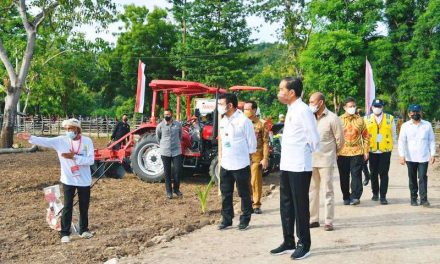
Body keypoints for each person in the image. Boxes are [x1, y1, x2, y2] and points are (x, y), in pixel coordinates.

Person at [17, 118, 95, 243]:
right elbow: (45, 141)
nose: (69, 131)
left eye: (72, 129)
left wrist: (74, 157)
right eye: (67, 129)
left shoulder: (87, 141)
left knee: (84, 206)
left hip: (84, 180)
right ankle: (65, 233)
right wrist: (30, 137)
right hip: (68, 179)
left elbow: (90, 160)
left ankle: (84, 230)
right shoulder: (61, 140)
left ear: (78, 130)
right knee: (68, 205)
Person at [270, 77, 320, 260]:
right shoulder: (290, 109)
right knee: (286, 204)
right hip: (287, 164)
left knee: (300, 206)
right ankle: (288, 240)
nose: (279, 92)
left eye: (281, 89)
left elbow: (314, 139)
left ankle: (304, 244)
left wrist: (304, 153)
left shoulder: (303, 110)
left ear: (291, 92)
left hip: (300, 165)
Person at [217, 93, 257, 231]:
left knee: (244, 193)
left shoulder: (243, 121)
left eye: (221, 104)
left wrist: (249, 159)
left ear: (230, 105)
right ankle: (227, 219)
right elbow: (222, 142)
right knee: (225, 193)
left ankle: (245, 218)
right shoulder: (222, 121)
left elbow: (252, 144)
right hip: (226, 163)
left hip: (241, 163)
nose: (219, 107)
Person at [308, 92, 344, 231]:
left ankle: (328, 221)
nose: (310, 104)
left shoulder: (332, 118)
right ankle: (313, 219)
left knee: (327, 191)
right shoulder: (308, 118)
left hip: (326, 160)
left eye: (312, 102)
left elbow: (340, 140)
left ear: (321, 102)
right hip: (310, 160)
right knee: (312, 191)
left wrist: (333, 153)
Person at [398, 104, 436, 206]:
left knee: (423, 177)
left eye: (417, 112)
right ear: (410, 113)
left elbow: (431, 140)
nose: (415, 114)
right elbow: (401, 141)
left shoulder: (427, 125)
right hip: (410, 157)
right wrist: (402, 156)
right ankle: (413, 198)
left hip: (423, 156)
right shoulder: (405, 126)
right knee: (412, 178)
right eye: (413, 112)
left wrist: (433, 154)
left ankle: (424, 199)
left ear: (421, 112)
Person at [337, 97, 369, 206]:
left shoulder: (360, 120)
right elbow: (335, 137)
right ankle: (346, 196)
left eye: (354, 106)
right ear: (345, 107)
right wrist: (335, 152)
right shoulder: (339, 120)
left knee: (356, 175)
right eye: (350, 106)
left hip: (357, 152)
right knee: (344, 176)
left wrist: (366, 151)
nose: (352, 108)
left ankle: (355, 196)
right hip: (342, 153)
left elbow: (366, 137)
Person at [364, 99, 396, 205]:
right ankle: (375, 193)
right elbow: (363, 136)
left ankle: (383, 196)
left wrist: (393, 148)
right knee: (373, 174)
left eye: (379, 106)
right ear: (372, 107)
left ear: (382, 107)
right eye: (375, 106)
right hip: (372, 150)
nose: (377, 108)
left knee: (384, 174)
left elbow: (394, 135)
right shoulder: (366, 119)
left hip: (385, 151)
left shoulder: (390, 118)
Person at [243, 100, 269, 214]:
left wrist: (265, 158)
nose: (245, 111)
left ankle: (256, 204)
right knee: (245, 182)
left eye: (247, 109)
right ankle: (247, 203)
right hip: (243, 157)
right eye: (244, 109)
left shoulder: (261, 124)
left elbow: (265, 142)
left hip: (256, 157)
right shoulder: (241, 122)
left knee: (255, 181)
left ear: (254, 110)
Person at [156, 109, 183, 199]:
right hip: (165, 151)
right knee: (167, 172)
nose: (166, 115)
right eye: (165, 114)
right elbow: (158, 138)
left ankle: (176, 189)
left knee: (177, 171)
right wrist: (164, 145)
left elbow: (180, 136)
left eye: (168, 114)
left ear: (172, 114)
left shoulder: (178, 125)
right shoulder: (160, 126)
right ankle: (169, 192)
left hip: (176, 151)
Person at [357, 108, 371, 186]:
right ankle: (367, 176)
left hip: (369, 146)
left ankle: (368, 176)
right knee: (363, 164)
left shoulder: (366, 121)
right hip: (360, 147)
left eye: (359, 113)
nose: (358, 115)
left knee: (366, 164)